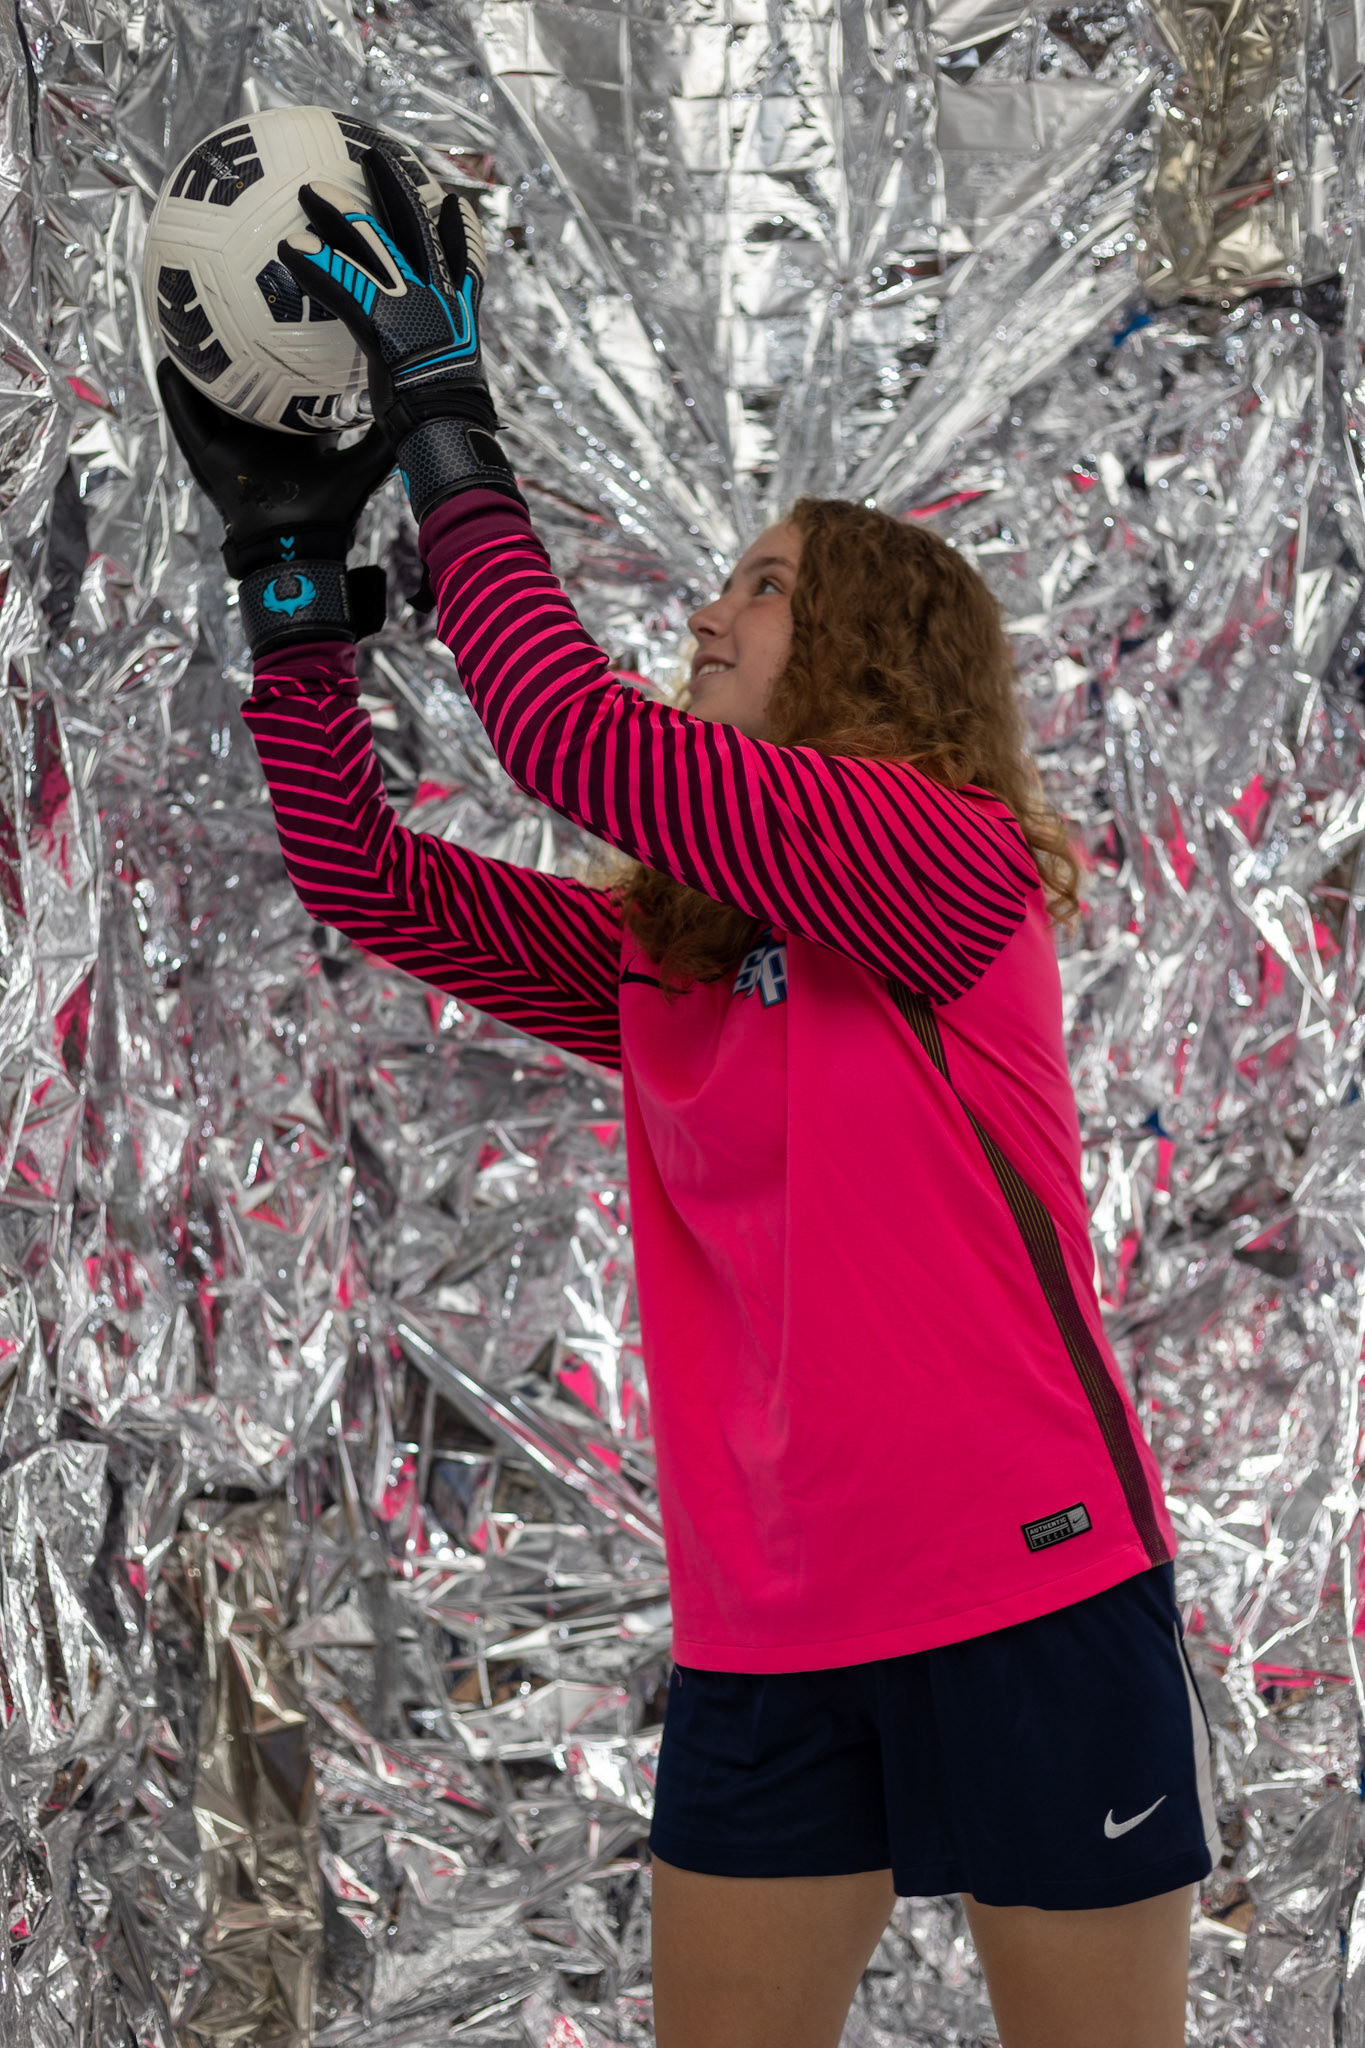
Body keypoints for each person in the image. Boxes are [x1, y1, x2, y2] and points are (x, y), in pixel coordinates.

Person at [155, 134, 1220, 2048]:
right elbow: (371, 883)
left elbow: (566, 733)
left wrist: (442, 417)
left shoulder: (938, 859)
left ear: (869, 653)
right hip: (773, 1628)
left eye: (757, 589)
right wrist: (288, 588)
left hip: (1030, 1591)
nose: (706, 621)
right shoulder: (681, 961)